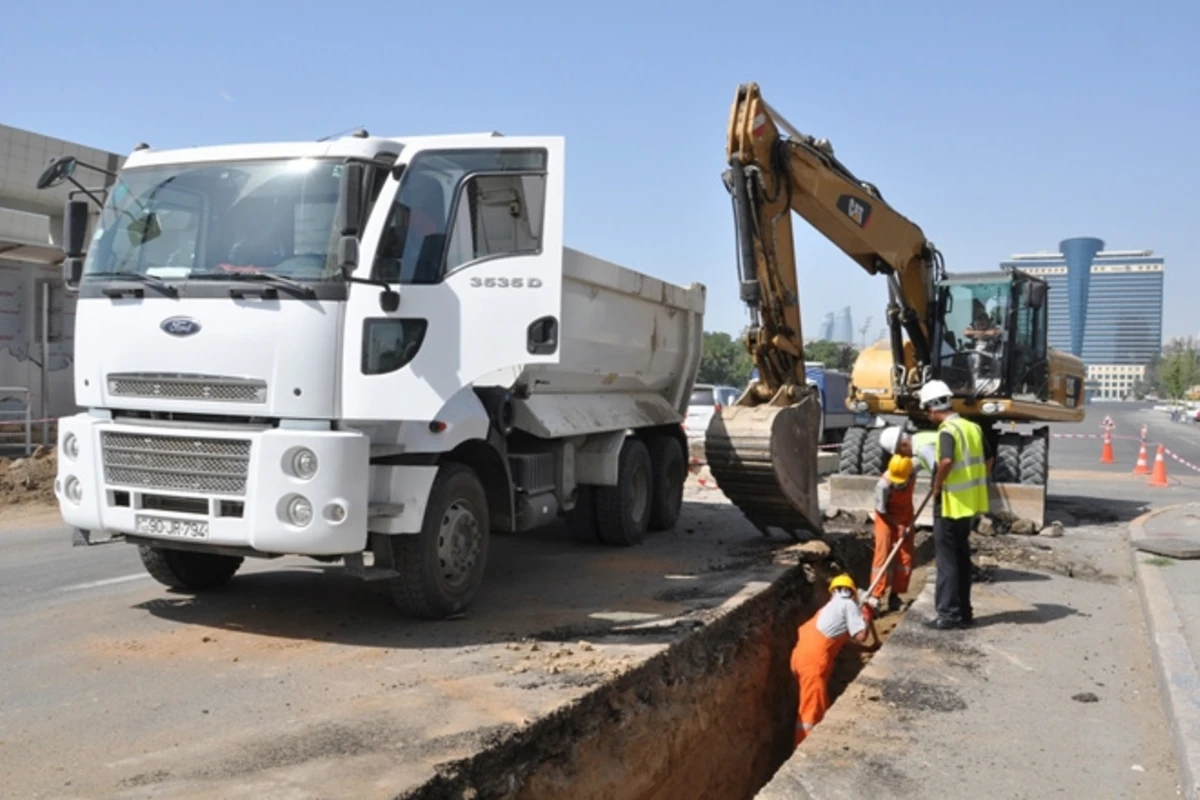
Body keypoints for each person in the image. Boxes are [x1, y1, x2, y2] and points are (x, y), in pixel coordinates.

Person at [919, 379, 991, 629]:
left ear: (932, 407)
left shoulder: (947, 431)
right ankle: (964, 612)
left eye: (926, 410)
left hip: (950, 505)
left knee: (947, 562)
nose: (928, 415)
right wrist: (974, 480)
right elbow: (988, 459)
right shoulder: (973, 428)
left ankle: (948, 615)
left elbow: (947, 461)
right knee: (961, 558)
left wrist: (938, 485)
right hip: (969, 504)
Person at [790, 574, 880, 747]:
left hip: (799, 660)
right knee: (810, 713)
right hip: (813, 666)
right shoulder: (848, 605)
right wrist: (867, 613)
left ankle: (813, 737)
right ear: (852, 593)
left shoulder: (828, 609)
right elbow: (861, 635)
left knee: (813, 702)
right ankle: (804, 750)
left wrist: (867, 650)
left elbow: (840, 642)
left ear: (834, 591)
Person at [865, 454, 916, 621]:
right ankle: (875, 597)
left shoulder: (912, 468)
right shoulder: (883, 485)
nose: (898, 484)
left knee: (905, 557)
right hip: (886, 517)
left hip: (906, 516)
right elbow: (881, 510)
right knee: (882, 553)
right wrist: (898, 525)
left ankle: (895, 597)